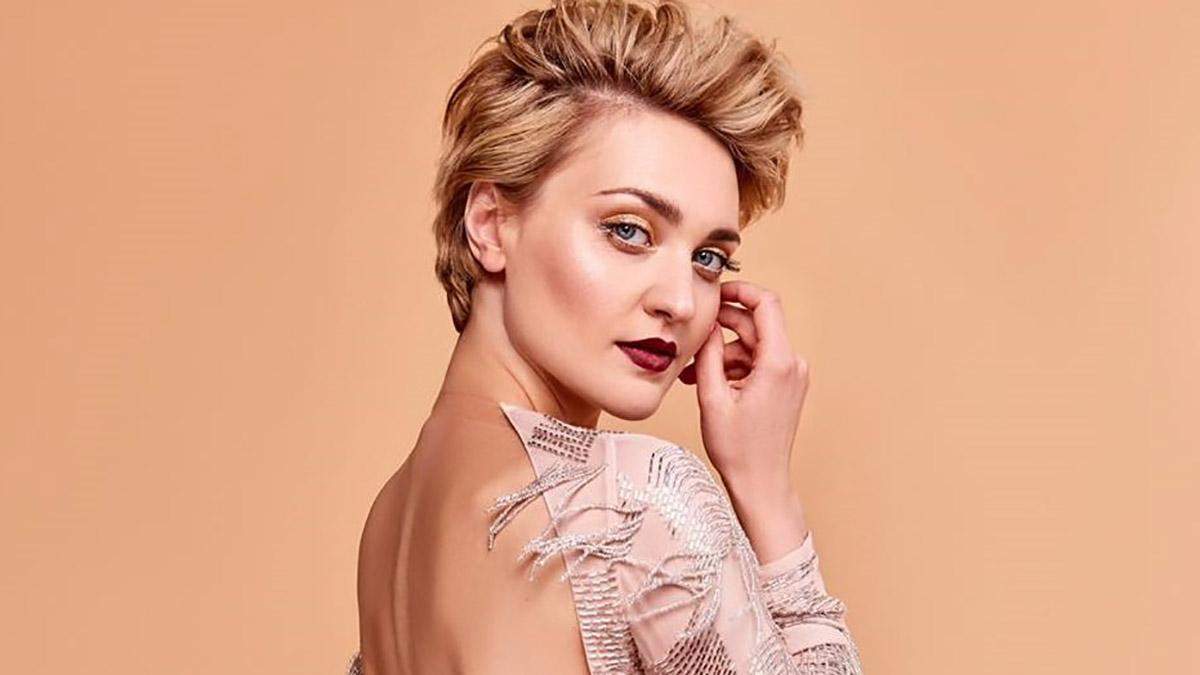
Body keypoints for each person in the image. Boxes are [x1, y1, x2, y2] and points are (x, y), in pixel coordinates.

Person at [349, 0, 864, 672]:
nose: (681, 301)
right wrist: (768, 493)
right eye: (628, 230)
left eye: (709, 258)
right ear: (490, 224)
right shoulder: (635, 502)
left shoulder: (389, 524)